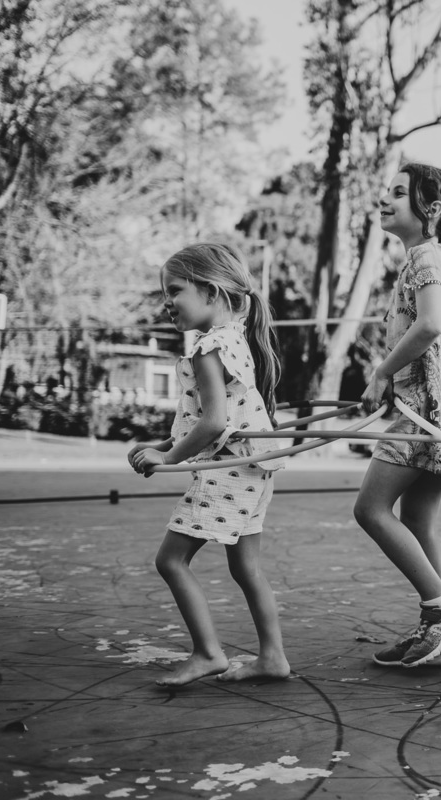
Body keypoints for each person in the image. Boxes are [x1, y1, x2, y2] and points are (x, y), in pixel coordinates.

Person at [128, 242, 290, 687]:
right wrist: (161, 444)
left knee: (171, 561)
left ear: (212, 291)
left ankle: (207, 652)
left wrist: (168, 456)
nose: (167, 302)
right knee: (246, 568)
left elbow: (214, 421)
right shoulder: (232, 339)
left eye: (175, 290)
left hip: (225, 472)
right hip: (252, 469)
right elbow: (215, 420)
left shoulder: (207, 349)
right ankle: (272, 657)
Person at [355, 163, 441, 669]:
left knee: (370, 509)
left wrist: (383, 373)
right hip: (438, 409)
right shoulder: (437, 258)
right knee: (417, 519)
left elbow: (429, 327)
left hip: (428, 414)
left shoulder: (427, 258)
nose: (385, 199)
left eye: (399, 193)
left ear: (429, 210)